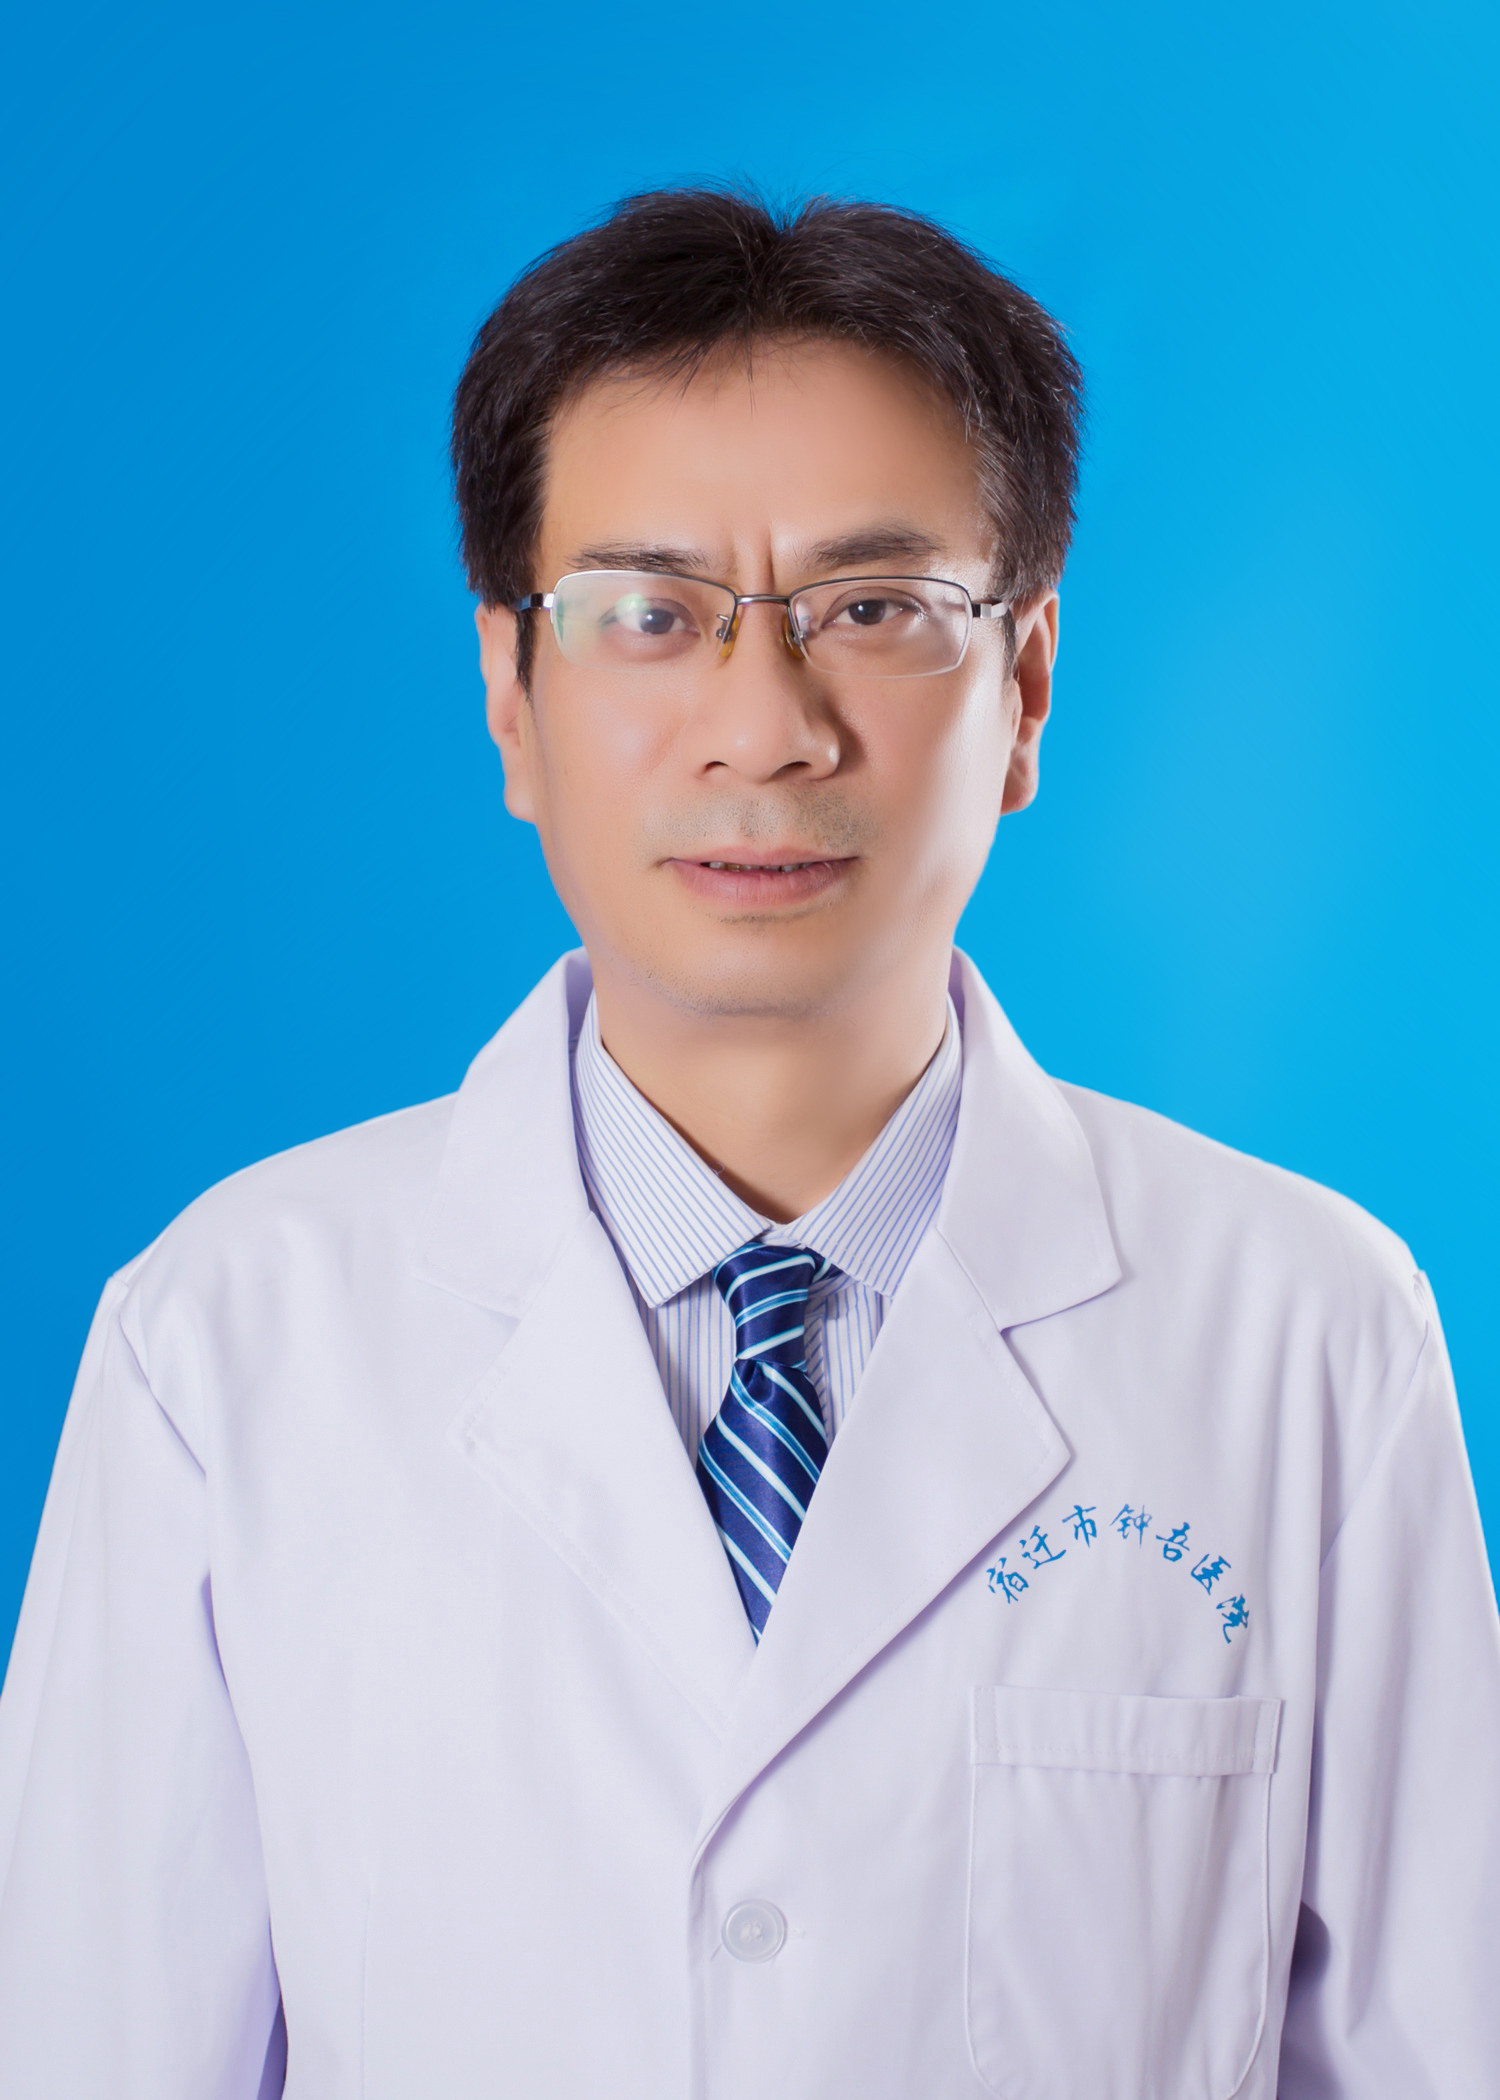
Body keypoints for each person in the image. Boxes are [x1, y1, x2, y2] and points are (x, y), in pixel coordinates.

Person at [0, 186, 1495, 2100]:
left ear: (1026, 688)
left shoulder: (1307, 1333)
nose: (764, 728)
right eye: (649, 616)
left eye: (875, 611)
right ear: (511, 694)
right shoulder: (224, 1342)